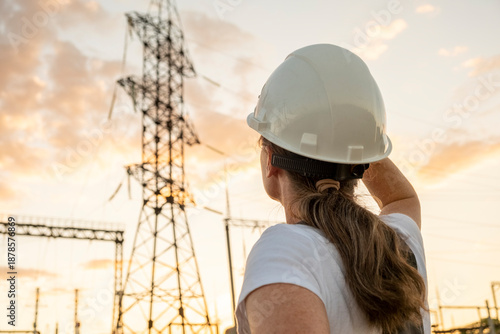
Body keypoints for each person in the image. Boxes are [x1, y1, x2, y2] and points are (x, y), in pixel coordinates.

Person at [235, 44, 430, 334]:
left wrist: (344, 137)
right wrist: (355, 131)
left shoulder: (285, 254)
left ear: (270, 162)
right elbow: (401, 197)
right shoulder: (400, 242)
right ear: (363, 161)